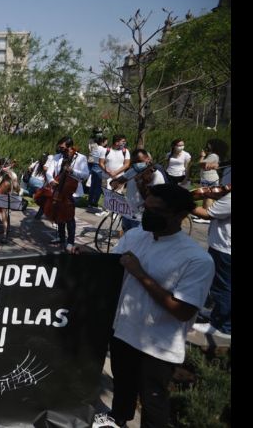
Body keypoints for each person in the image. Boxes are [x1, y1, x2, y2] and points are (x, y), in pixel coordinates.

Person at [94, 184, 213, 428]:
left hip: (157, 345)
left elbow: (183, 311)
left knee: (153, 403)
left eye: (157, 211)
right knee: (123, 386)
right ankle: (118, 419)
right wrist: (85, 257)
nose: (147, 214)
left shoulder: (197, 259)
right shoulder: (136, 235)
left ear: (180, 215)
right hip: (123, 331)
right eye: (146, 208)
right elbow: (112, 268)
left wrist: (141, 275)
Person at [189, 171, 231, 338]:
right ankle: (217, 315)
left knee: (223, 287)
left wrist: (184, 203)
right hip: (223, 244)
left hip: (225, 246)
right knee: (221, 284)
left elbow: (207, 213)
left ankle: (222, 326)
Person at [45, 137, 89, 253]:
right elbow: (49, 171)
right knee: (59, 214)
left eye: (63, 147)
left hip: (72, 192)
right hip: (59, 189)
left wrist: (72, 171)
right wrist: (51, 180)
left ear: (70, 147)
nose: (60, 149)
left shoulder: (80, 158)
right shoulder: (57, 157)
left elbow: (85, 175)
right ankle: (61, 237)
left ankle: (70, 242)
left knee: (69, 217)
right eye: (60, 147)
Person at [110, 149, 165, 232]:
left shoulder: (156, 175)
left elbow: (153, 199)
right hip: (127, 213)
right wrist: (114, 182)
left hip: (141, 217)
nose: (136, 164)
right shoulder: (133, 171)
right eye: (134, 162)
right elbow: (121, 179)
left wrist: (140, 184)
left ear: (148, 159)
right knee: (126, 236)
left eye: (139, 161)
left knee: (137, 240)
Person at [87, 135, 108, 215]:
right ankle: (94, 203)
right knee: (99, 187)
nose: (107, 142)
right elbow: (104, 160)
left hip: (93, 167)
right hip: (100, 167)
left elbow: (90, 158)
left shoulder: (94, 147)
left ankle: (90, 203)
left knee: (93, 186)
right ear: (102, 141)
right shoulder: (104, 149)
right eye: (106, 141)